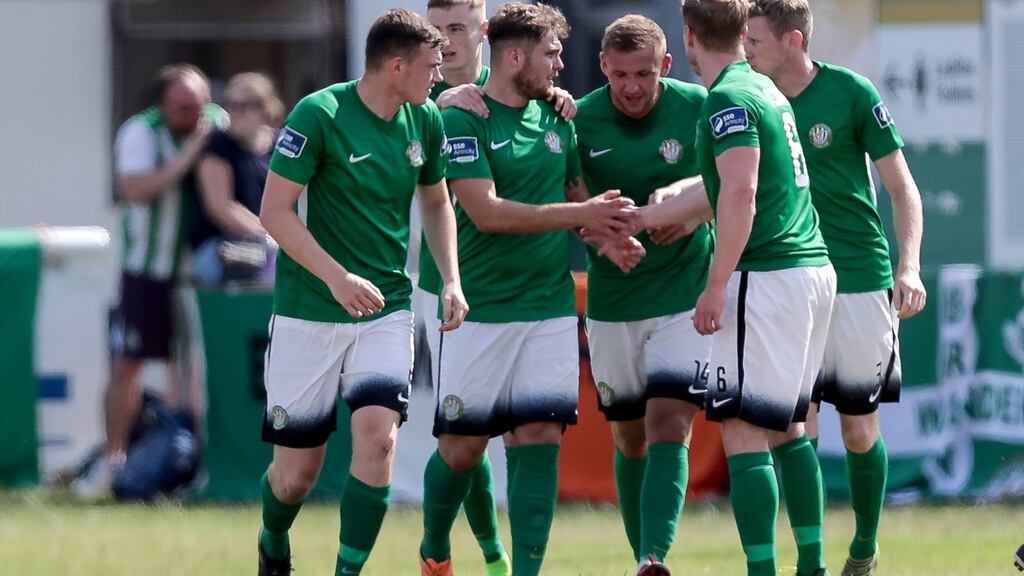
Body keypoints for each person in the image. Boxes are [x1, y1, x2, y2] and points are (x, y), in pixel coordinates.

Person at [416, 4, 635, 575]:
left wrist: (606, 237)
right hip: (479, 310)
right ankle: (435, 549)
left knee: (540, 434)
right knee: (463, 448)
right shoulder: (463, 117)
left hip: (549, 306)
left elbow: (578, 197)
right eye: (551, 53)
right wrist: (579, 212)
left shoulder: (559, 117)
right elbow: (485, 213)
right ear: (515, 56)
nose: (562, 64)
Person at [255, 9, 467, 576]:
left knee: (378, 441)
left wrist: (450, 277)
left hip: (386, 308)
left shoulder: (424, 119)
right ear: (396, 65)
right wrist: (335, 277)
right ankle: (272, 538)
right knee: (296, 475)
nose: (439, 76)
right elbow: (274, 212)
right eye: (431, 65)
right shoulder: (319, 113)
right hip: (309, 309)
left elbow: (437, 200)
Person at [644, 2, 836, 574]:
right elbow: (723, 186)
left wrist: (715, 283)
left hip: (768, 274)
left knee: (742, 429)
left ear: (689, 35)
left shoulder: (727, 97)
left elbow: (740, 194)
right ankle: (813, 564)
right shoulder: (765, 88)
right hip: (809, 269)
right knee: (790, 428)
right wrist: (643, 219)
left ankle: (763, 571)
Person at [744, 2, 927, 574]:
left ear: (793, 40)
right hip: (791, 281)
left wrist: (909, 267)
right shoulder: (751, 99)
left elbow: (903, 189)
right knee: (795, 426)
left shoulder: (850, 91)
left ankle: (865, 550)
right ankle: (810, 560)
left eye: (756, 40)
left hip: (858, 279)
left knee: (857, 427)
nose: (746, 49)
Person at [571, 14, 712, 576]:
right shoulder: (578, 119)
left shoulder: (700, 106)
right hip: (613, 300)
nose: (632, 87)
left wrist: (685, 200)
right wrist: (603, 239)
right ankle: (641, 559)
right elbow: (568, 194)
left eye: (645, 74)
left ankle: (655, 557)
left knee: (670, 422)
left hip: (684, 292)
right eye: (621, 74)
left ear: (667, 66)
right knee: (629, 438)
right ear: (603, 66)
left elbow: (733, 180)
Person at [72, 63, 222, 499]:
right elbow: (134, 189)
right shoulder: (140, 132)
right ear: (163, 104)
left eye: (200, 105)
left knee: (191, 368)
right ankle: (115, 459)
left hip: (196, 274)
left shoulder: (214, 122)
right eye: (183, 107)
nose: (194, 115)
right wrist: (191, 154)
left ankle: (185, 462)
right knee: (129, 364)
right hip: (147, 268)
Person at [192, 72, 284, 285]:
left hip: (274, 244)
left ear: (265, 110)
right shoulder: (217, 145)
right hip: (221, 246)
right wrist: (270, 237)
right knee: (254, 269)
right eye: (229, 104)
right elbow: (221, 207)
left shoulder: (282, 145)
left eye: (242, 106)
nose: (233, 112)